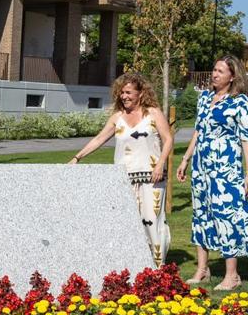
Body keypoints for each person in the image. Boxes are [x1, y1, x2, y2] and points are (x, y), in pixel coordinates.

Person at [175, 55, 248, 290]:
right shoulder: (204, 99)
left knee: (227, 215)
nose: (214, 74)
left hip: (225, 169)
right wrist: (185, 159)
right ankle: (202, 270)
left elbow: (247, 139)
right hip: (201, 168)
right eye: (214, 70)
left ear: (232, 76)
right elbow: (198, 131)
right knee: (201, 214)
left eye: (220, 71)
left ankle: (231, 275)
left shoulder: (240, 102)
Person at [68, 72, 173, 264]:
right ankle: (131, 264)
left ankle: (157, 267)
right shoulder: (118, 118)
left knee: (152, 220)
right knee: (127, 223)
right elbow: (99, 138)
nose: (124, 96)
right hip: (123, 178)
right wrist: (78, 157)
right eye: (121, 93)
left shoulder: (153, 113)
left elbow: (168, 139)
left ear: (140, 93)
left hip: (152, 177)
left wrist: (160, 164)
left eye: (128, 92)